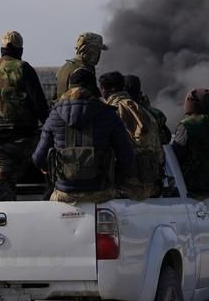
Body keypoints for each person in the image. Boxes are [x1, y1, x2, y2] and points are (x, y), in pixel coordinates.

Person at [33, 68, 135, 204]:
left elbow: (38, 159)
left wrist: (53, 171)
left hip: (64, 193)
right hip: (101, 193)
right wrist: (113, 178)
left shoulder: (55, 115)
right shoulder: (108, 115)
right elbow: (127, 158)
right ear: (93, 89)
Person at [0, 30, 52, 200]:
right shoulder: (23, 68)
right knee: (53, 151)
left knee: (4, 183)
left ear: (1, 50)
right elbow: (40, 106)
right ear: (20, 50)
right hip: (23, 139)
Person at [100, 71, 161, 200]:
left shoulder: (108, 114)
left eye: (102, 89)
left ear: (108, 90)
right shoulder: (145, 112)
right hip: (148, 187)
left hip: (120, 188)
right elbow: (158, 154)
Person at [55, 32, 107, 101]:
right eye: (97, 50)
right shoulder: (83, 71)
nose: (98, 54)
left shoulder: (64, 67)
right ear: (89, 49)